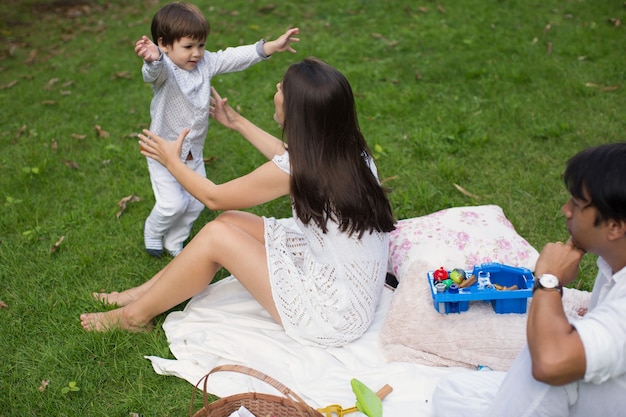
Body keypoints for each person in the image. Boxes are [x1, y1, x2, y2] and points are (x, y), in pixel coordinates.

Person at [80, 58, 396, 347]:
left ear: (298, 112)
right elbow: (291, 157)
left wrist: (172, 161)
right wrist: (237, 122)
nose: (276, 89)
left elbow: (213, 197)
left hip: (332, 315)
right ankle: (138, 295)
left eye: (282, 88)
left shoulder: (301, 169)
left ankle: (133, 317)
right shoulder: (350, 151)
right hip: (344, 282)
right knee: (230, 221)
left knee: (217, 236)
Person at [432, 142, 626, 416]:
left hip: (576, 390)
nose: (565, 210)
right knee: (454, 391)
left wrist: (548, 280)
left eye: (578, 204)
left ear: (615, 226)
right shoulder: (613, 263)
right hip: (585, 392)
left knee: (542, 352)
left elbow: (550, 363)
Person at [135, 2, 300, 257]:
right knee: (173, 205)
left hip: (192, 154)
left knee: (194, 203)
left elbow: (232, 57)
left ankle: (175, 240)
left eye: (200, 45)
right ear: (164, 44)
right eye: (188, 47)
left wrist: (270, 47)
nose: (197, 53)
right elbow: (152, 73)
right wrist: (154, 59)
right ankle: (154, 232)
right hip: (163, 152)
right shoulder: (165, 69)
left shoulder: (205, 63)